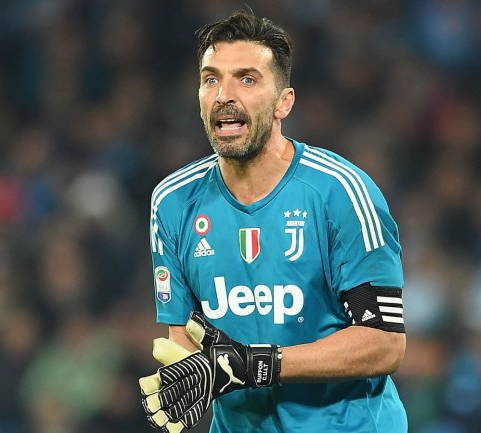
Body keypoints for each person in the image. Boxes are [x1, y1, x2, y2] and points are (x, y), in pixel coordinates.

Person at [140, 9, 407, 433]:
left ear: (285, 102)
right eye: (211, 79)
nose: (225, 94)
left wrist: (261, 364)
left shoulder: (341, 192)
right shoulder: (172, 202)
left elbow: (384, 343)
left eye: (247, 79)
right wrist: (188, 377)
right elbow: (185, 335)